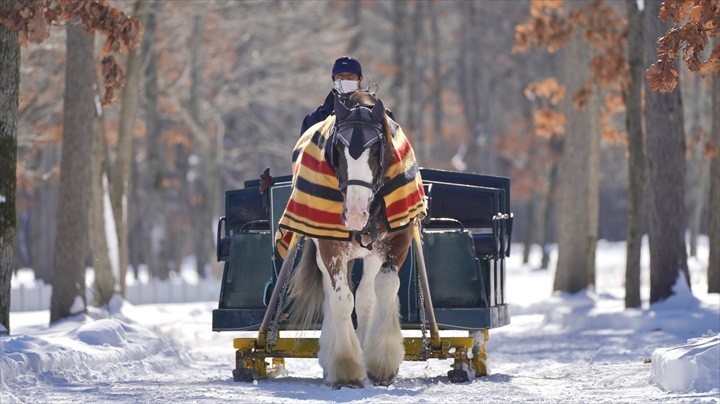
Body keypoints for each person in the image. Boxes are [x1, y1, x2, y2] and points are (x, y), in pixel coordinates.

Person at [300, 56, 363, 135]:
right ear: (333, 79)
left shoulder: (372, 112)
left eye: (350, 76)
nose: (345, 80)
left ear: (360, 79)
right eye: (340, 76)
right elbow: (304, 146)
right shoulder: (316, 118)